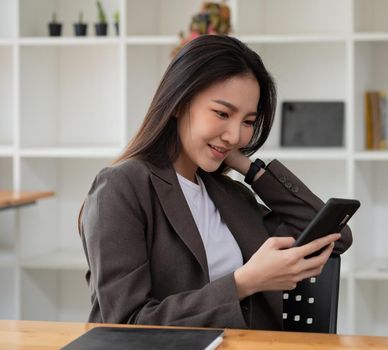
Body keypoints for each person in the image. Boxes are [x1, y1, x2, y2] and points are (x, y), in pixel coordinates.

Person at [79, 35, 353, 330]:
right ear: (179, 103)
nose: (235, 136)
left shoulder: (229, 195)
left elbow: (336, 236)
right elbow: (125, 324)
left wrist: (249, 168)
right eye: (222, 113)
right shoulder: (122, 188)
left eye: (247, 121)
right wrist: (243, 283)